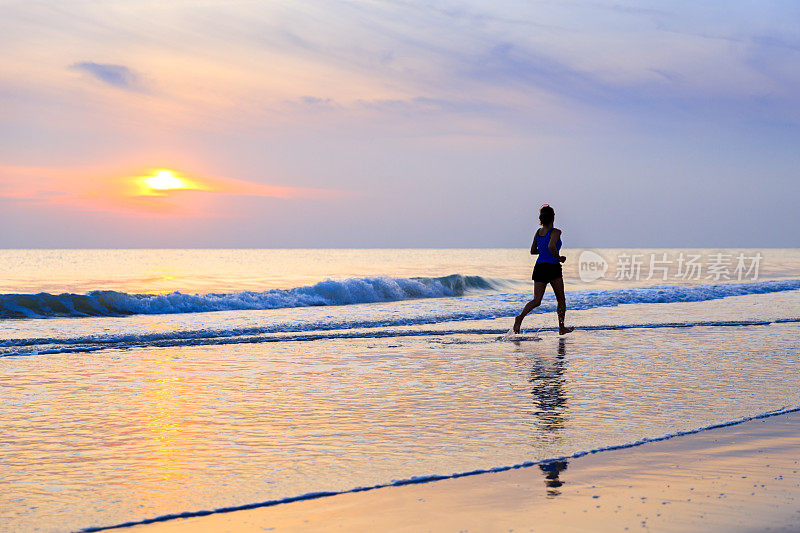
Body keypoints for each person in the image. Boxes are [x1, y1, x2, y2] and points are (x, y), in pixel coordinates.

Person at [513, 204, 574, 335]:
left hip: (539, 266)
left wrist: (545, 252)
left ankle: (520, 317)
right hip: (552, 267)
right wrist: (558, 257)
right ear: (553, 218)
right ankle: (561, 328)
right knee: (561, 299)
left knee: (537, 300)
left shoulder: (538, 232)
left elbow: (533, 251)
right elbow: (552, 245)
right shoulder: (556, 232)